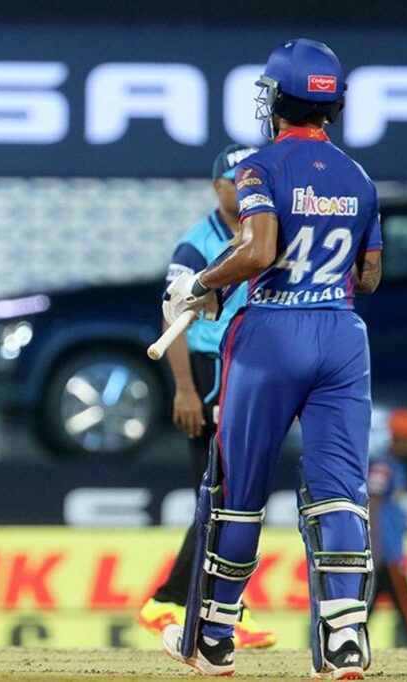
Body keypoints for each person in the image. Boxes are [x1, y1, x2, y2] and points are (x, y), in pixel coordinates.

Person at [159, 39, 383, 679]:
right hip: (342, 336)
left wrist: (201, 285)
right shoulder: (359, 177)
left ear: (279, 99)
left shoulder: (259, 168)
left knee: (238, 490)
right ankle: (345, 641)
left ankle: (214, 638)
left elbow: (256, 252)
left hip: (273, 331)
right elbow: (368, 275)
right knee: (340, 494)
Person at [137, 144, 275, 650]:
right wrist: (186, 390)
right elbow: (172, 316)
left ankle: (195, 601)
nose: (245, 188)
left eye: (252, 179)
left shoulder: (266, 231)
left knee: (229, 493)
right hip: (208, 369)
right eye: (235, 181)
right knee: (220, 494)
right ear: (217, 187)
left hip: (244, 366)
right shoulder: (198, 243)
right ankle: (186, 602)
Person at [368, 407, 407, 648]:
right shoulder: (383, 467)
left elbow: (392, 507)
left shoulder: (394, 466)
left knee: (367, 608)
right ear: (401, 438)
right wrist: (376, 548)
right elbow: (372, 504)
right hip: (386, 554)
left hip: (387, 551)